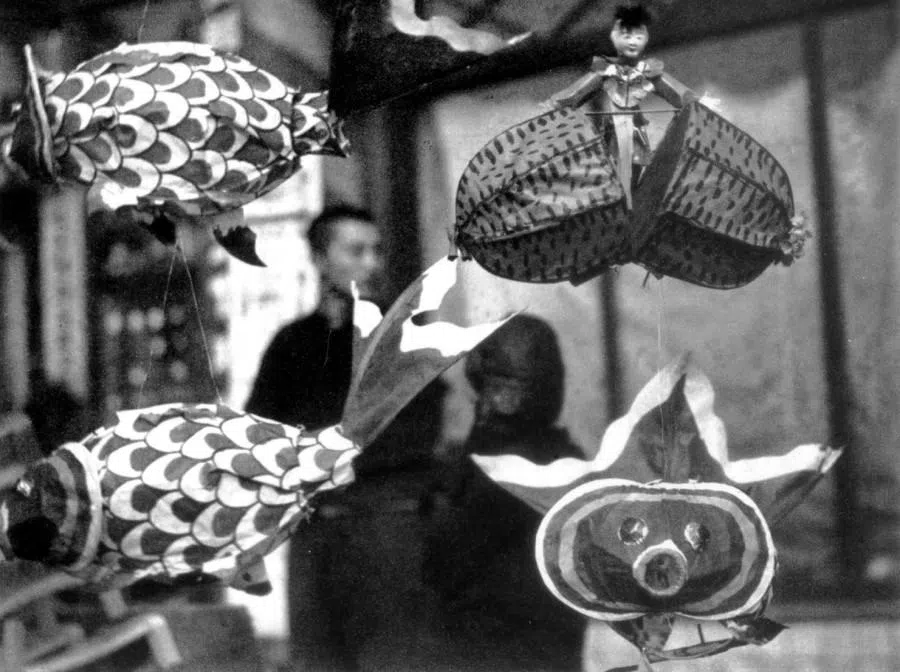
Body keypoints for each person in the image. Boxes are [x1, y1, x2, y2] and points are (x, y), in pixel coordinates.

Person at [421, 314, 587, 672]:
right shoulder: (567, 457)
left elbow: (440, 566)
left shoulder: (501, 471)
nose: (488, 402)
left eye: (500, 388)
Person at [245, 205, 386, 429]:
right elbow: (259, 428)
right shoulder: (291, 343)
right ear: (319, 259)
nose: (372, 264)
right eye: (356, 252)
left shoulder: (396, 332)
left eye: (377, 251)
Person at [549, 4, 699, 206]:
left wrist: (694, 102)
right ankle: (620, 201)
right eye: (626, 36)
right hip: (613, 126)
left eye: (637, 37)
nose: (632, 42)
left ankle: (630, 202)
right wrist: (559, 103)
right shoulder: (605, 69)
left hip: (635, 127)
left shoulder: (648, 70)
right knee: (613, 165)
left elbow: (675, 92)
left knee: (635, 166)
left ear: (644, 39)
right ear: (615, 37)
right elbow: (579, 92)